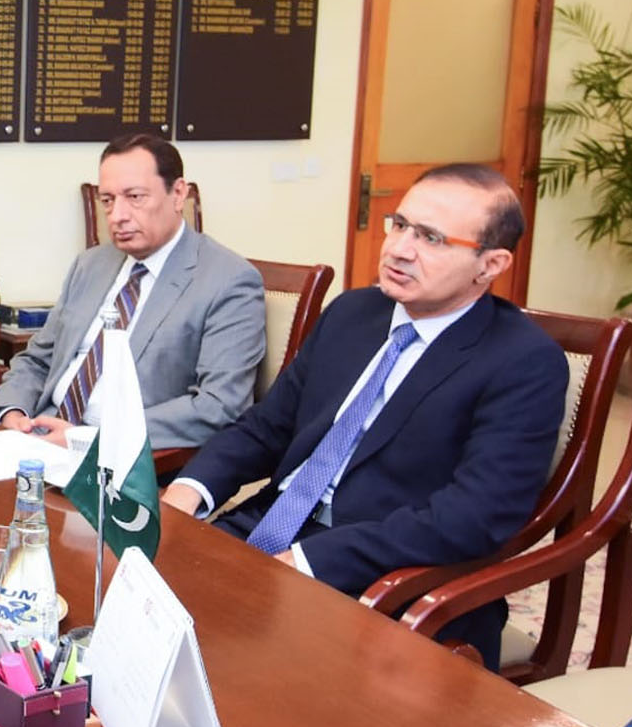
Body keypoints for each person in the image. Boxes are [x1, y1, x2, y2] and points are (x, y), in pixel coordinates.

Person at [163, 163, 567, 669]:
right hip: (270, 527)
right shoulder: (353, 314)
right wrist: (189, 491)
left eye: (431, 238)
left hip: (392, 578)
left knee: (233, 668)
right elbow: (269, 426)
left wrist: (312, 560)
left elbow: (471, 518)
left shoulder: (523, 361)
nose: (399, 249)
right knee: (129, 604)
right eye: (400, 225)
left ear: (490, 264)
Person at [0, 133, 265, 449]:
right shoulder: (91, 264)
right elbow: (38, 359)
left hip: (124, 454)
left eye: (135, 197)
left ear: (178, 194)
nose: (117, 216)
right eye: (108, 200)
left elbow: (218, 406)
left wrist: (90, 439)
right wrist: (12, 411)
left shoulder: (228, 281)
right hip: (40, 435)